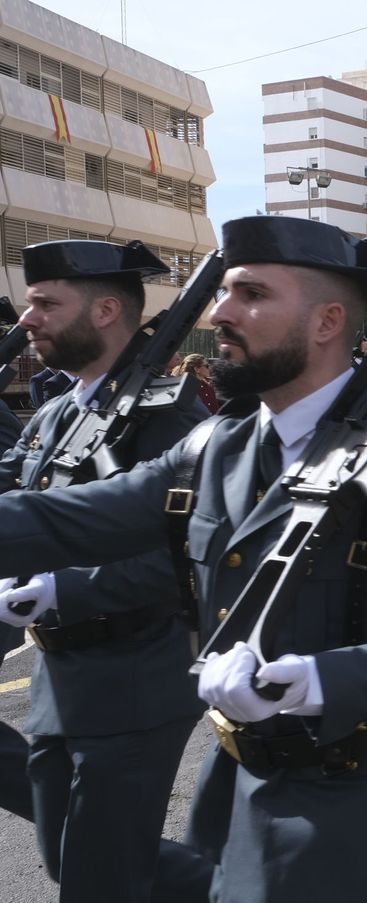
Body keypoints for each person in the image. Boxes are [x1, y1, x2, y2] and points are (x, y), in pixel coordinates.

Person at [0, 216, 367, 903]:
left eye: (251, 294)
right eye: (225, 293)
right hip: (236, 785)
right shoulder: (220, 443)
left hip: (351, 800)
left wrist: (311, 679)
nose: (220, 313)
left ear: (327, 321)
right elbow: (73, 519)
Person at [0, 240, 210, 903]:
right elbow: (20, 500)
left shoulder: (171, 415)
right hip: (62, 679)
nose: (26, 320)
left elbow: (193, 554)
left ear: (107, 309)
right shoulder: (61, 410)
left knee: (100, 878)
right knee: (78, 860)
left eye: (44, 303)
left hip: (136, 674)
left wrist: (63, 590)